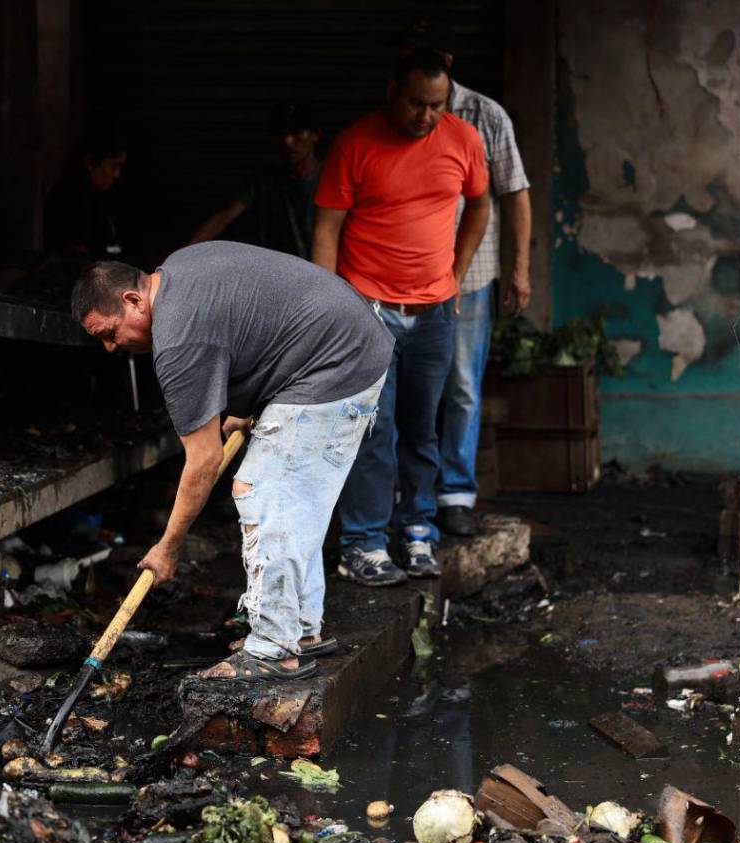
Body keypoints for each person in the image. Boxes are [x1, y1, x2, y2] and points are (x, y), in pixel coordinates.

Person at [72, 241, 392, 680]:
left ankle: (272, 650)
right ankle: (299, 631)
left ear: (133, 300)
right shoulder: (177, 269)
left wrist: (169, 546)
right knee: (296, 502)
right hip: (345, 341)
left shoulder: (177, 339)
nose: (111, 348)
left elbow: (203, 461)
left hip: (335, 362)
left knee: (263, 490)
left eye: (109, 333)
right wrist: (249, 400)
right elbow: (251, 321)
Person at [312, 49, 490, 584]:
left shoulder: (464, 140)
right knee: (373, 430)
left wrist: (456, 272)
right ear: (392, 90)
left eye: (438, 105)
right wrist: (329, 308)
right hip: (367, 310)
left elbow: (480, 203)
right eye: (417, 103)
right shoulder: (355, 144)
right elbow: (327, 230)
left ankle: (418, 532)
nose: (426, 116)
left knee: (421, 427)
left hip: (435, 311)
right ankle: (363, 543)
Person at [404, 23, 532, 537]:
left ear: (448, 63)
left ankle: (455, 491)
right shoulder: (392, 119)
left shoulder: (485, 116)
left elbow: (514, 193)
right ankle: (409, 490)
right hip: (406, 279)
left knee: (461, 385)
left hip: (470, 275)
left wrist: (519, 268)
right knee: (409, 389)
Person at [188, 99, 322, 258]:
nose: (288, 141)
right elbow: (224, 216)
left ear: (315, 135)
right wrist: (184, 255)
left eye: (297, 132)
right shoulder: (266, 180)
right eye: (282, 133)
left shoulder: (331, 179)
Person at [44, 131, 129, 258]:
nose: (116, 175)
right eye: (113, 166)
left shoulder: (99, 197)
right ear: (90, 162)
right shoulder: (73, 196)